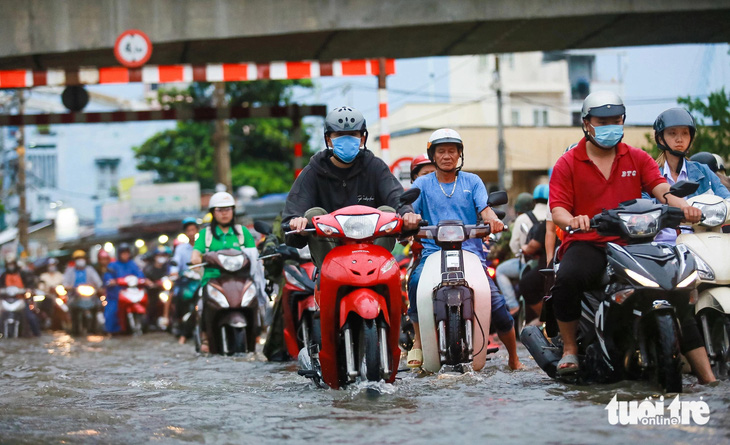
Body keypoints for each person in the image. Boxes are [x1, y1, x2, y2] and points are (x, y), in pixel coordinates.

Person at [548, 91, 714, 383]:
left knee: (673, 292)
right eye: (603, 121)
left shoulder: (636, 157)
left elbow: (662, 189)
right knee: (568, 279)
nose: (610, 126)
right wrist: (574, 220)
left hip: (635, 244)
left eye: (616, 120)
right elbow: (558, 208)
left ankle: (708, 377)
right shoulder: (568, 163)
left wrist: (686, 207)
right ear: (586, 123)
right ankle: (571, 349)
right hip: (589, 243)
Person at [407, 128, 523, 370]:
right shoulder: (422, 183)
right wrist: (407, 219)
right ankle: (418, 340)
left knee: (498, 306)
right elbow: (409, 209)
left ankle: (514, 358)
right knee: (415, 282)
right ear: (433, 155)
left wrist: (492, 219)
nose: (447, 156)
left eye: (452, 151)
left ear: (460, 154)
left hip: (471, 254)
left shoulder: (473, 181)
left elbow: (486, 208)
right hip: (432, 254)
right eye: (441, 151)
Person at [282, 106, 421, 268]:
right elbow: (291, 217)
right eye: (340, 135)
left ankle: (380, 269)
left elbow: (397, 199)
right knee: (313, 214)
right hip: (331, 259)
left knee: (388, 212)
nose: (347, 140)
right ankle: (330, 270)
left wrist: (407, 214)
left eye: (353, 135)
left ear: (362, 138)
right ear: (328, 139)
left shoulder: (375, 167)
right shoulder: (313, 172)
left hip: (373, 258)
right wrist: (297, 222)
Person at [650, 108, 730, 244]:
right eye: (672, 133)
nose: (679, 139)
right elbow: (643, 209)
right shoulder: (651, 173)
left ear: (691, 137)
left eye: (685, 133)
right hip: (662, 246)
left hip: (701, 244)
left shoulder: (703, 171)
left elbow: (727, 199)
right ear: (660, 138)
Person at [191, 191, 256, 353]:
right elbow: (196, 254)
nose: (224, 213)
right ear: (213, 213)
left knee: (257, 300)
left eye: (227, 209)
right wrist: (197, 259)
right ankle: (205, 336)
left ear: (233, 211)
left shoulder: (242, 232)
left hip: (241, 279)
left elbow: (253, 253)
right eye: (219, 210)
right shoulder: (205, 235)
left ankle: (258, 329)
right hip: (214, 279)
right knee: (202, 301)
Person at [495, 190, 544, 313]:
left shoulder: (521, 219)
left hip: (526, 262)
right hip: (548, 261)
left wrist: (521, 251)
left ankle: (512, 305)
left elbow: (513, 245)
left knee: (500, 270)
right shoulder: (552, 216)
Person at [103, 243, 144, 335]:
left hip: (131, 293)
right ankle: (113, 330)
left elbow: (140, 275)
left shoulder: (132, 264)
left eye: (127, 253)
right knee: (112, 311)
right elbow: (108, 277)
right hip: (116, 295)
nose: (125, 255)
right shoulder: (113, 265)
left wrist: (143, 280)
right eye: (123, 253)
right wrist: (112, 281)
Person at [171, 217, 199, 343]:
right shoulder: (181, 248)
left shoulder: (204, 246)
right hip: (187, 281)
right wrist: (174, 272)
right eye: (189, 230)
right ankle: (180, 327)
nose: (191, 232)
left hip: (202, 280)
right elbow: (175, 262)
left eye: (193, 229)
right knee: (178, 298)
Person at [1, 255, 40, 336]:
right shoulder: (3, 275)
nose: (10, 266)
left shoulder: (23, 274)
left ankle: (37, 335)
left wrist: (29, 289)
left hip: (21, 300)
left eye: (12, 264)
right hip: (6, 300)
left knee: (30, 317)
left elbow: (30, 284)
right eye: (8, 264)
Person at [143, 247, 171, 331]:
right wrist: (150, 283)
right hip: (153, 291)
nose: (162, 257)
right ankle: (151, 321)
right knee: (152, 303)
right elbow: (145, 278)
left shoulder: (168, 267)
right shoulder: (149, 268)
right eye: (159, 255)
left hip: (166, 290)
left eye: (164, 255)